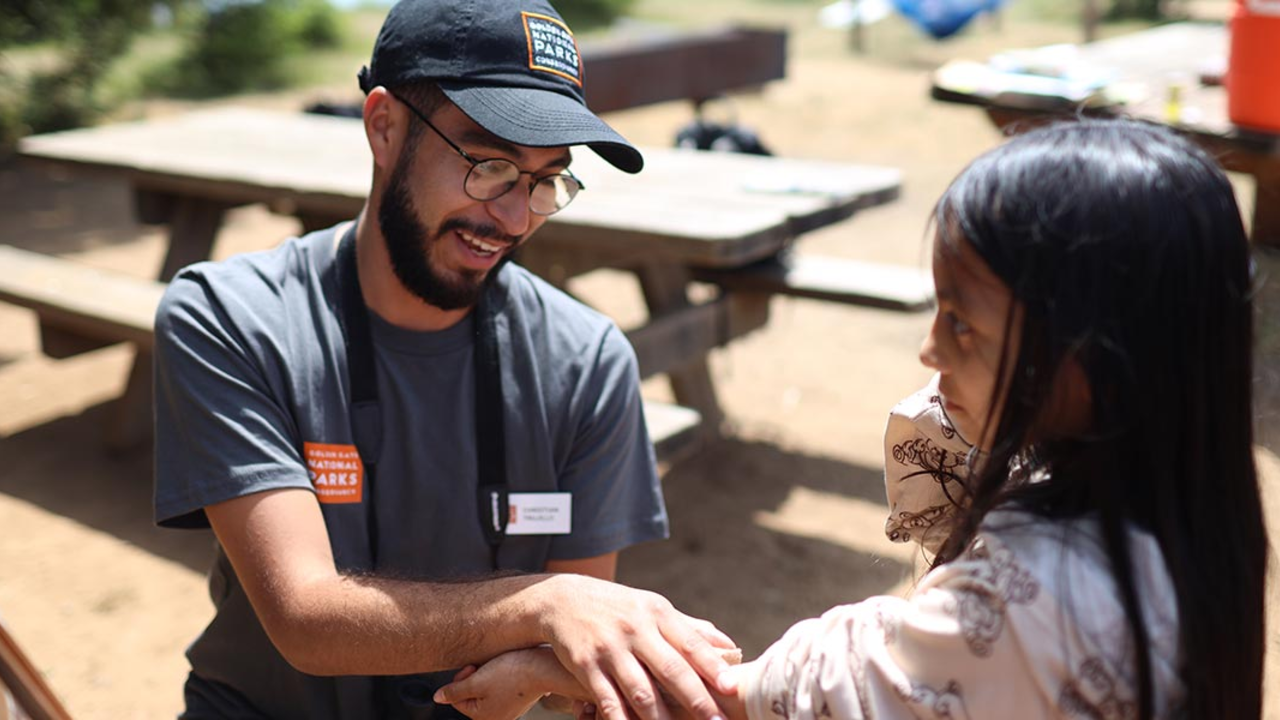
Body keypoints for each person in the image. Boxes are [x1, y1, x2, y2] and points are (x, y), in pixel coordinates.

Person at [433, 119, 1269, 719]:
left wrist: (553, 666)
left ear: (1091, 359)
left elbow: (766, 701)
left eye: (963, 324)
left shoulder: (1026, 603)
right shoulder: (1181, 526)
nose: (930, 351)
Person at [150, 1, 739, 718]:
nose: (516, 217)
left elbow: (568, 664)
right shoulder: (231, 317)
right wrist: (545, 604)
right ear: (383, 127)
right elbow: (304, 620)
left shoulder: (586, 363)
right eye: (489, 165)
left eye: (547, 179)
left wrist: (557, 654)